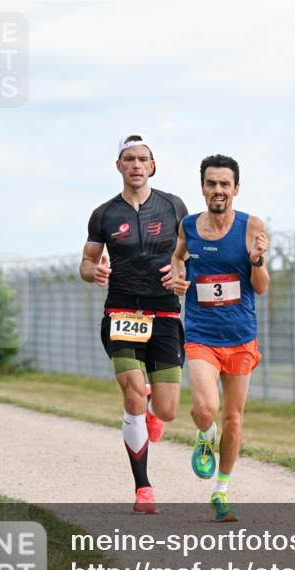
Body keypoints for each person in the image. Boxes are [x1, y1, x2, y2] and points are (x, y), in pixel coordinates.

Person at [80, 134, 189, 514]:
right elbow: (86, 262)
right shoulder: (104, 214)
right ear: (119, 167)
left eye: (143, 159)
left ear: (153, 165)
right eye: (129, 159)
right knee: (130, 393)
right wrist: (94, 272)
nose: (137, 165)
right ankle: (143, 488)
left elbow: (191, 255)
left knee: (170, 409)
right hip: (122, 313)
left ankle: (154, 409)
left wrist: (181, 272)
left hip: (164, 314)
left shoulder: (174, 206)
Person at [170, 154, 269, 522]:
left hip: (240, 335)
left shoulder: (251, 226)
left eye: (225, 184)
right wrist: (178, 275)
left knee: (235, 419)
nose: (218, 190)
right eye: (212, 184)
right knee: (206, 408)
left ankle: (221, 491)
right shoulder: (188, 226)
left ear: (236, 189)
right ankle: (203, 433)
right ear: (202, 188)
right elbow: (177, 258)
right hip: (201, 335)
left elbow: (261, 287)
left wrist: (257, 261)